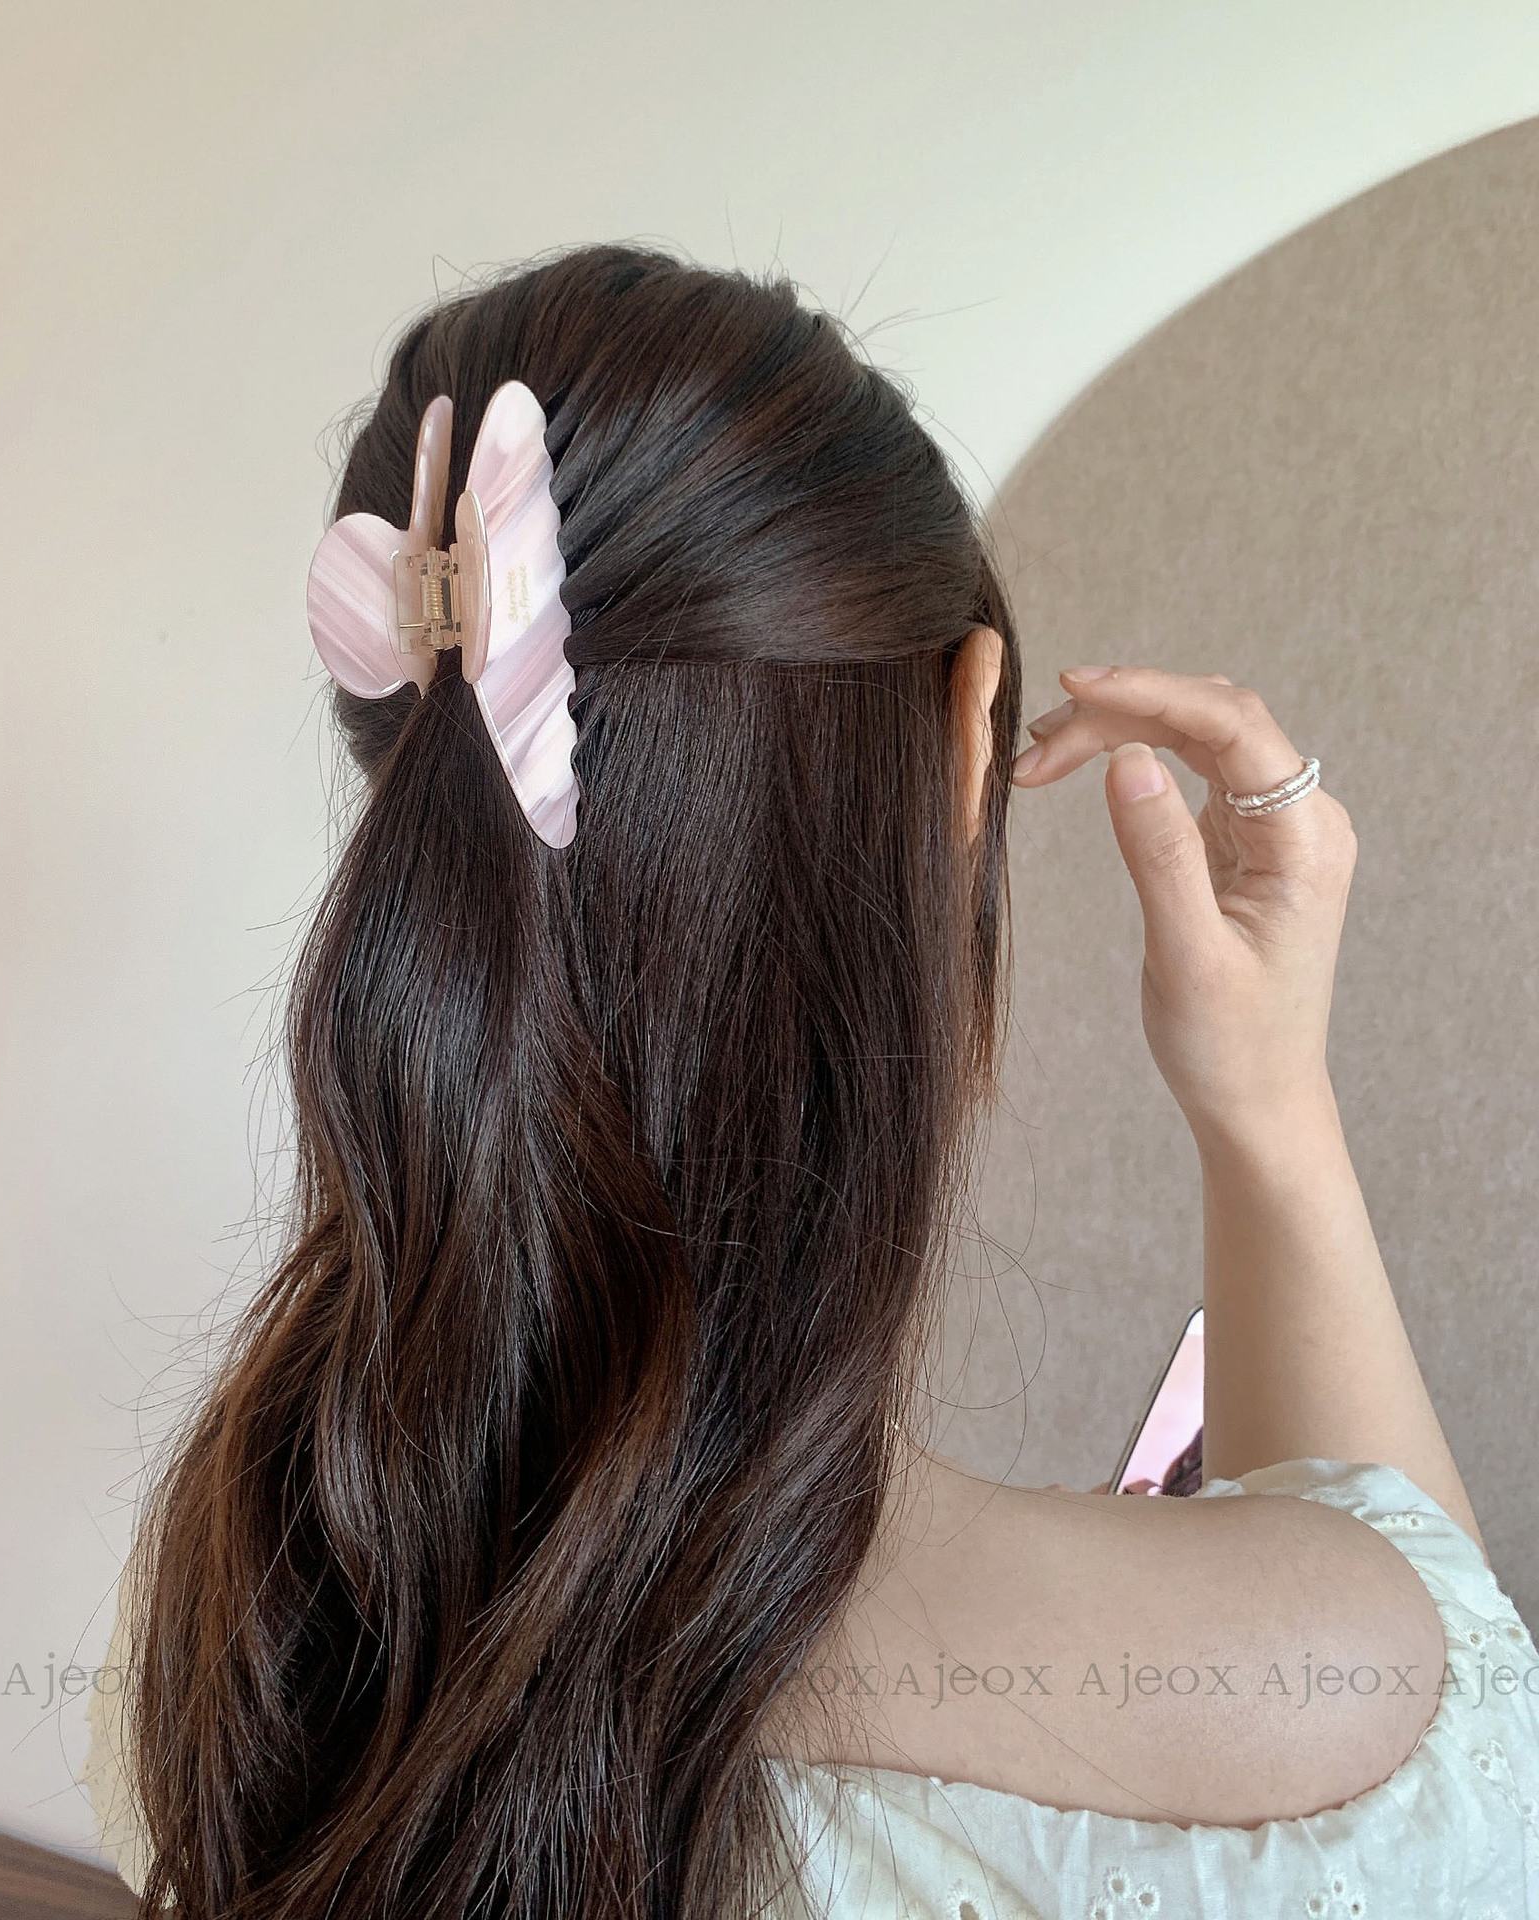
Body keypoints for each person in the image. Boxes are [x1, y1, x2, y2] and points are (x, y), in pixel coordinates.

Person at [78, 242, 1538, 1918]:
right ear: (969, 739)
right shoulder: (1343, 1704)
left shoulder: (239, 1618)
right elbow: (1461, 1697)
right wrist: (1270, 1111)